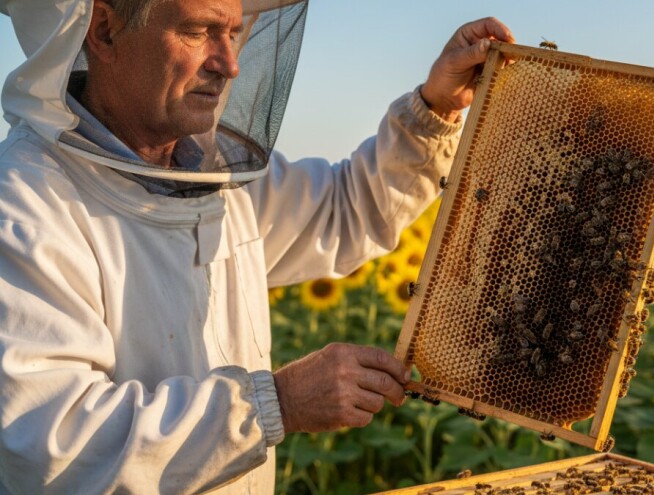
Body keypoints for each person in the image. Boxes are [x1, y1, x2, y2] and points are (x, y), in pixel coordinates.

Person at [0, 0, 514, 492]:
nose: (229, 65)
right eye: (199, 31)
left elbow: (345, 212)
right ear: (105, 30)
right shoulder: (25, 206)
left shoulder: (214, 174)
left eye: (235, 31)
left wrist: (435, 108)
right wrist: (275, 403)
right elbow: (51, 448)